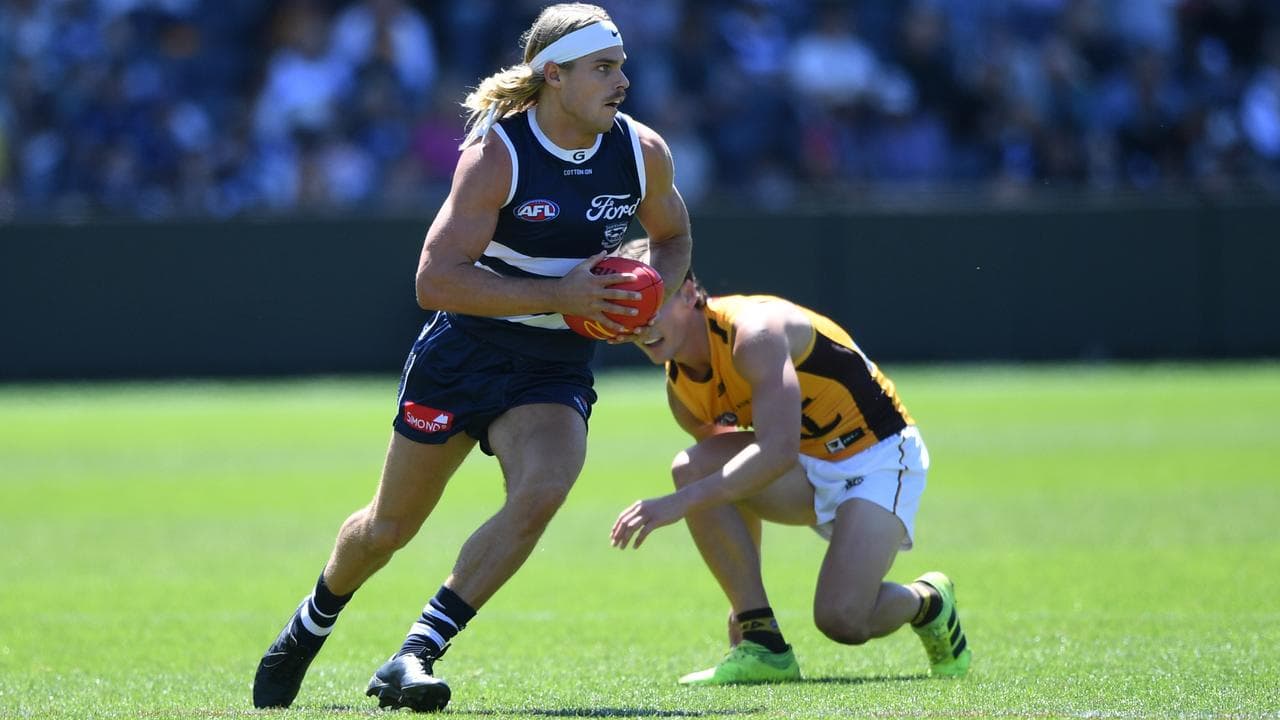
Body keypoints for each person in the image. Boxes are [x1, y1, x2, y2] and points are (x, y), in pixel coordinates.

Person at [252, 3, 692, 711]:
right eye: (603, 69)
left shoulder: (643, 151)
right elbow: (434, 282)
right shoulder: (497, 155)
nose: (622, 82)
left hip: (555, 360)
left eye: (622, 67)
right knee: (388, 530)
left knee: (545, 488)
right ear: (554, 76)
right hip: (466, 351)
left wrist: (647, 303)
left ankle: (415, 653)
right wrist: (563, 289)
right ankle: (311, 623)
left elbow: (672, 237)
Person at [610, 273, 969, 685]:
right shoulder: (681, 390)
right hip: (803, 466)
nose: (642, 324)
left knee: (843, 620)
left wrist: (679, 503)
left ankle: (929, 601)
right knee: (692, 466)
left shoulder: (753, 331)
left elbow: (775, 451)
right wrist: (744, 604)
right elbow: (735, 480)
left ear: (690, 292)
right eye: (630, 311)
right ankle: (764, 644)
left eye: (654, 306)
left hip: (877, 458)